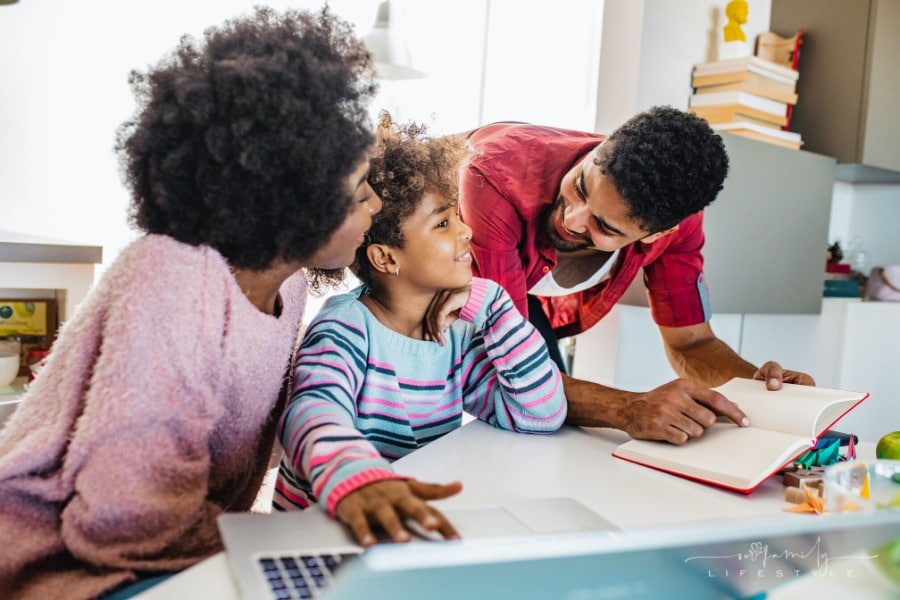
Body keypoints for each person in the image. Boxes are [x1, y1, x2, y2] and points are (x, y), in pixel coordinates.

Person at [0, 7, 391, 599]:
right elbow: (120, 522)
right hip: (58, 564)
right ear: (294, 199)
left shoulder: (283, 285)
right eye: (361, 191)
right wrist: (286, 541)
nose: (377, 208)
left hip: (172, 552)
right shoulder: (171, 279)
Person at [273, 113, 567, 546]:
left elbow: (540, 414)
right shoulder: (346, 330)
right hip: (320, 535)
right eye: (444, 223)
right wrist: (358, 479)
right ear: (386, 259)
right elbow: (311, 412)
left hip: (401, 532)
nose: (467, 231)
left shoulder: (456, 332)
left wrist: (495, 304)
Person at [456, 106, 815, 447]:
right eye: (580, 186)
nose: (572, 219)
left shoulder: (678, 225)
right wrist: (627, 408)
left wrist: (759, 391)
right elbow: (513, 368)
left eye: (603, 226)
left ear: (659, 234)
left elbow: (690, 343)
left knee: (549, 431)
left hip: (513, 303)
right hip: (416, 278)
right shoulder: (496, 178)